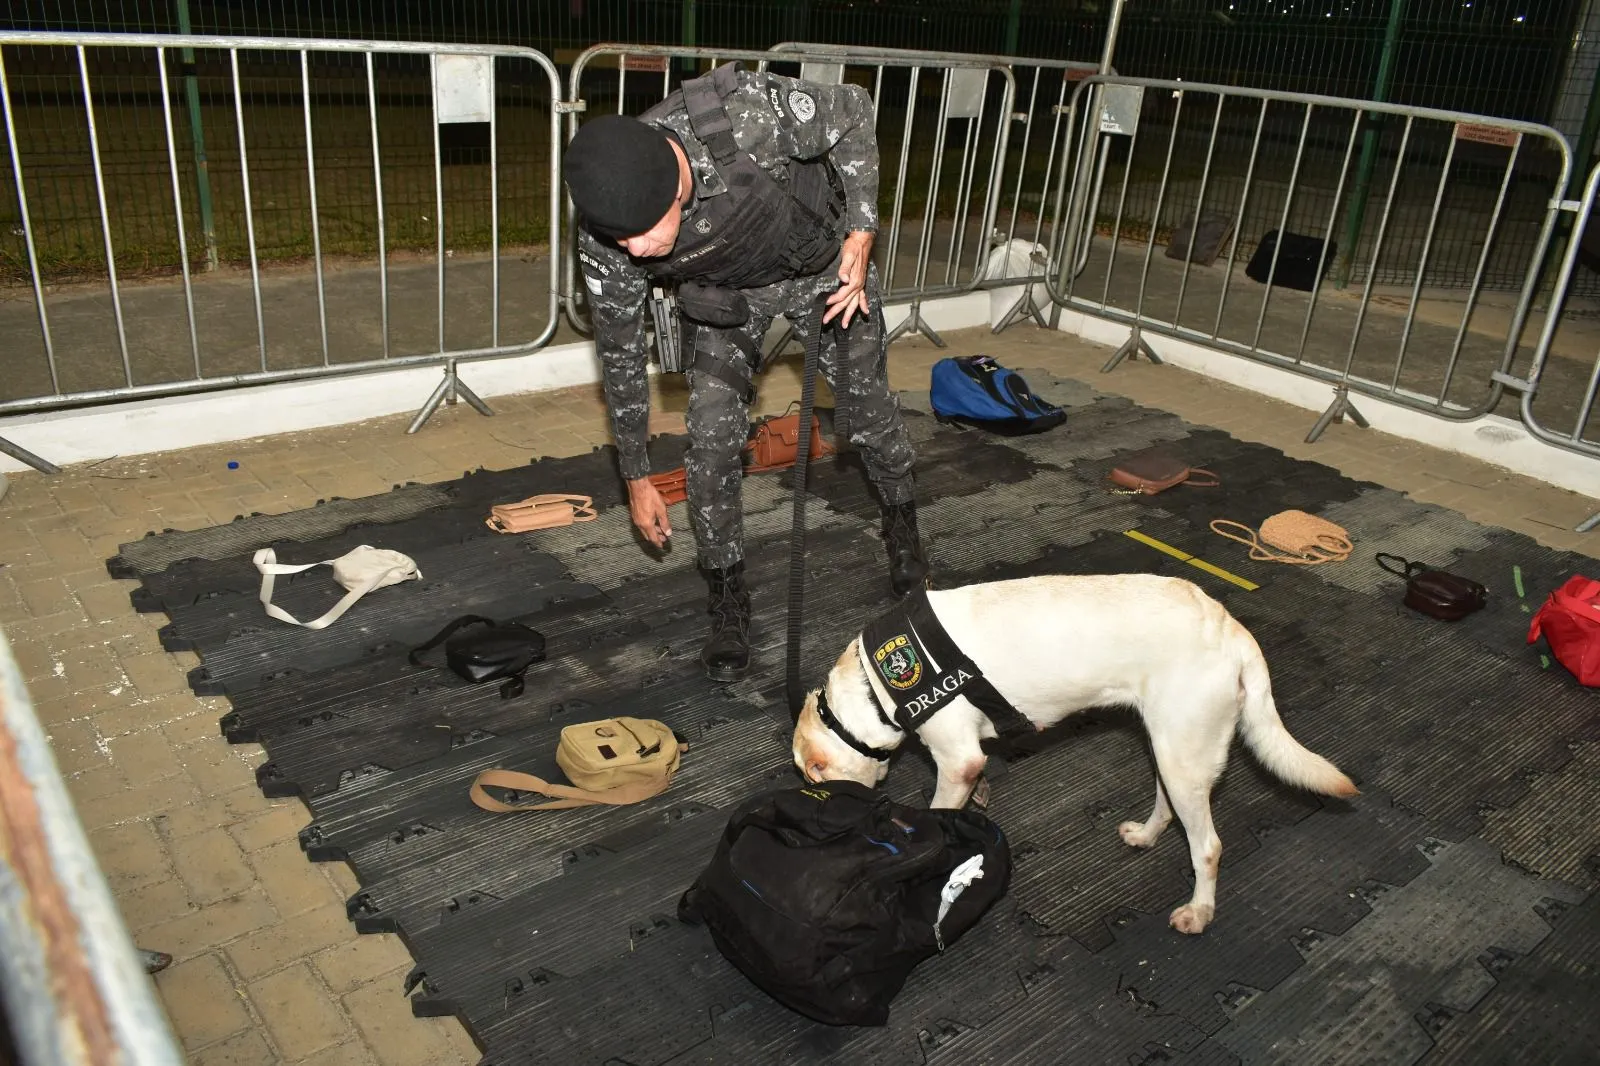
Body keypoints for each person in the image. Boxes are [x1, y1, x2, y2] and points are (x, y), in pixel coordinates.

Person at [562, 62, 929, 683]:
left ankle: (903, 527)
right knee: (708, 444)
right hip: (729, 300)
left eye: (645, 233)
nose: (636, 252)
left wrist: (864, 229)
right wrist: (635, 475)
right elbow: (621, 355)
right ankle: (728, 600)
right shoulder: (610, 231)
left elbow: (856, 110)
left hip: (824, 278)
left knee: (869, 422)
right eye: (619, 240)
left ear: (674, 181)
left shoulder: (745, 117)